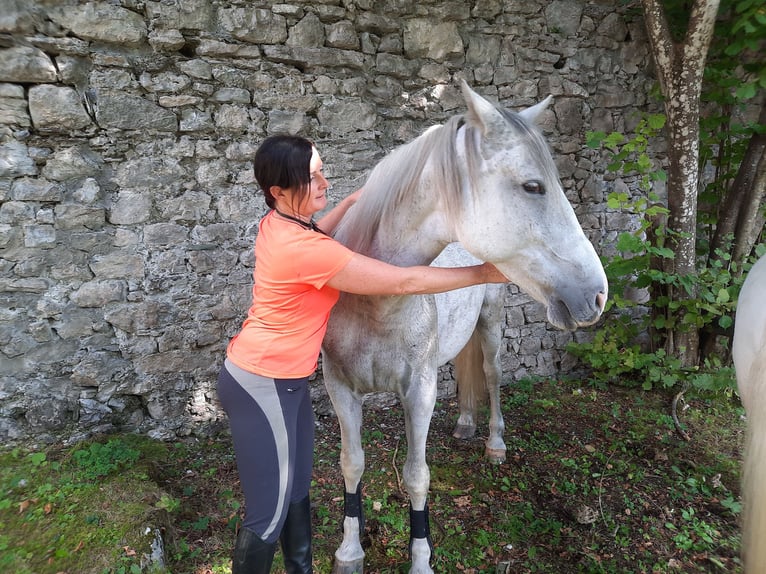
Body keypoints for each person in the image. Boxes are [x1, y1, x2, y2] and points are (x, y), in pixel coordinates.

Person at [217, 134, 508, 573]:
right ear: (279, 191)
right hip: (263, 383)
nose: (324, 182)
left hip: (284, 383)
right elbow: (403, 282)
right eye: (310, 177)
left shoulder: (278, 225)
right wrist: (482, 272)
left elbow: (317, 231)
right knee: (267, 513)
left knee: (297, 491)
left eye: (322, 170)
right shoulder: (307, 251)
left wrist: (353, 202)